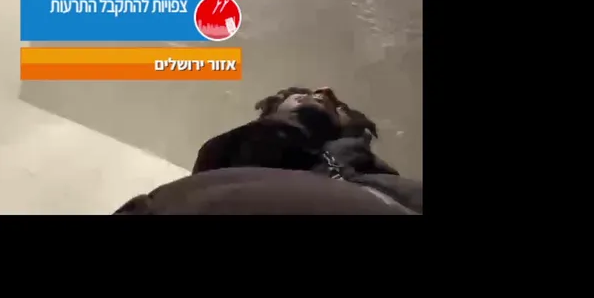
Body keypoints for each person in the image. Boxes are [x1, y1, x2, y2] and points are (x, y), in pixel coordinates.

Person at [114, 87, 421, 215]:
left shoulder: (384, 178)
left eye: (334, 104)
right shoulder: (222, 175)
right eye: (301, 93)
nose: (322, 91)